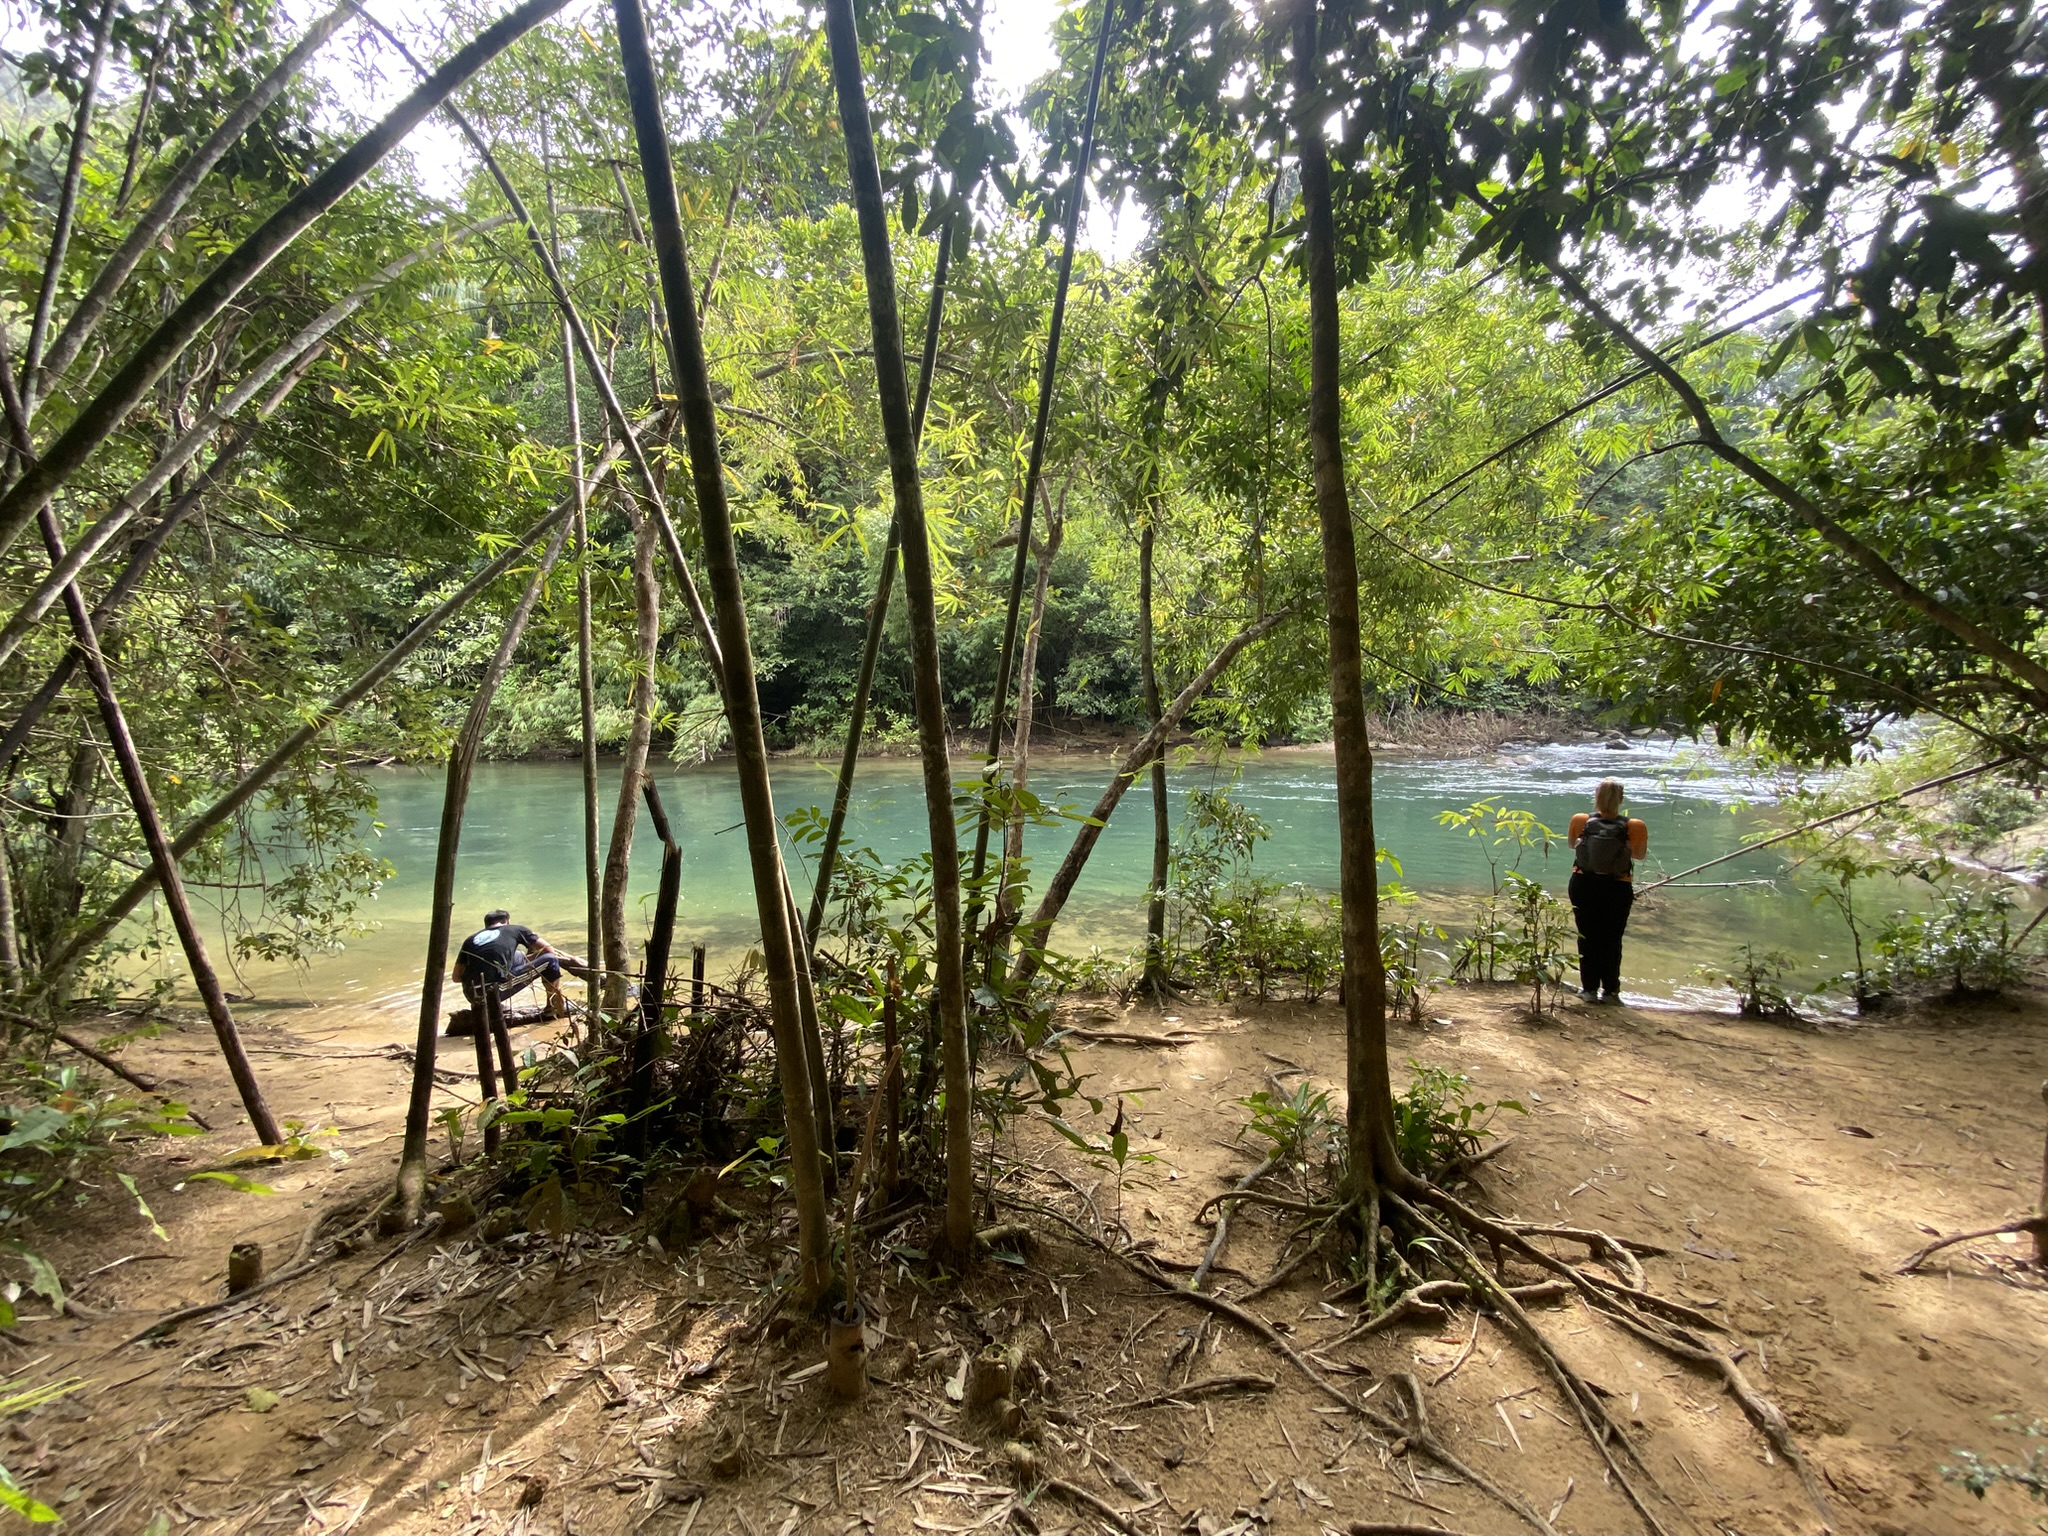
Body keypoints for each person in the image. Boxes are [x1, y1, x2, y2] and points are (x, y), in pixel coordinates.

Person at [1566, 778, 1648, 1004]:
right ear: (1621, 800)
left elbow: (1573, 845)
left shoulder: (1581, 820)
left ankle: (1589, 990)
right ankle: (1611, 992)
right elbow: (1639, 855)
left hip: (1583, 883)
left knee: (1587, 936)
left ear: (1597, 797)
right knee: (1612, 938)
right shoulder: (1635, 826)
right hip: (1617, 886)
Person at [453, 909, 581, 1020]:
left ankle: (492, 1002)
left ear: (486, 925)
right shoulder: (516, 929)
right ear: (507, 921)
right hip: (494, 992)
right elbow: (549, 951)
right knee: (550, 960)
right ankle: (552, 1007)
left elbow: (456, 977)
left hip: (471, 994)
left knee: (519, 955)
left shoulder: (470, 939)